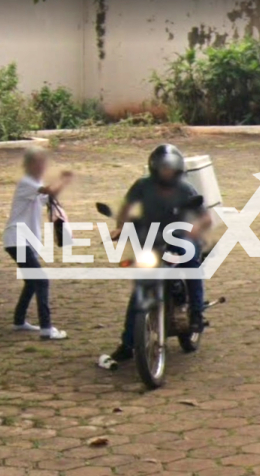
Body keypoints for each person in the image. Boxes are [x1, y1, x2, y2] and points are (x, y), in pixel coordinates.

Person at [109, 144, 212, 362]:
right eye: (163, 168)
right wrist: (121, 227)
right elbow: (126, 209)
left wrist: (195, 228)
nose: (166, 172)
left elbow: (205, 218)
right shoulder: (142, 186)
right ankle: (128, 343)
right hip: (153, 239)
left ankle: (196, 314)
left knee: (192, 265)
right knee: (140, 288)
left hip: (180, 238)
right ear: (154, 167)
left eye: (170, 168)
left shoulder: (185, 189)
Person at [3, 147, 73, 340]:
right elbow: (49, 190)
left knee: (32, 282)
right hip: (17, 239)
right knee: (41, 280)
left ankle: (19, 321)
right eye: (41, 163)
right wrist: (64, 178)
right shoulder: (26, 182)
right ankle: (46, 328)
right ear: (31, 164)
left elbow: (50, 196)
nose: (44, 166)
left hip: (23, 240)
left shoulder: (34, 183)